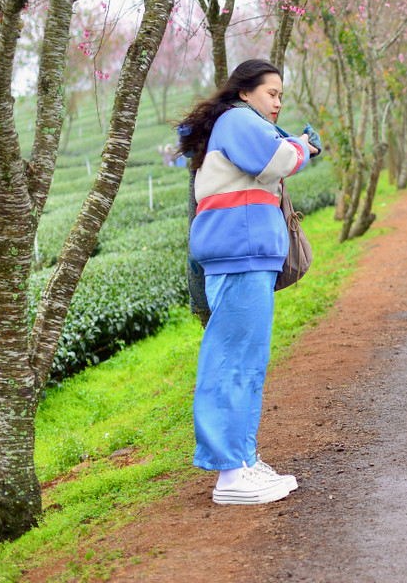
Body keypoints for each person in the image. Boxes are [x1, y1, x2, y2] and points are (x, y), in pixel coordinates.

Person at [176, 59, 321, 505]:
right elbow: (277, 159)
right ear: (244, 92)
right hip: (239, 254)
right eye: (271, 93)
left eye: (281, 95)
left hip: (244, 254)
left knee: (245, 361)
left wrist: (293, 144)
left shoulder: (236, 122)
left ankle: (241, 460)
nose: (277, 102)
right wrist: (303, 146)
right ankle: (231, 476)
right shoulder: (238, 120)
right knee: (234, 362)